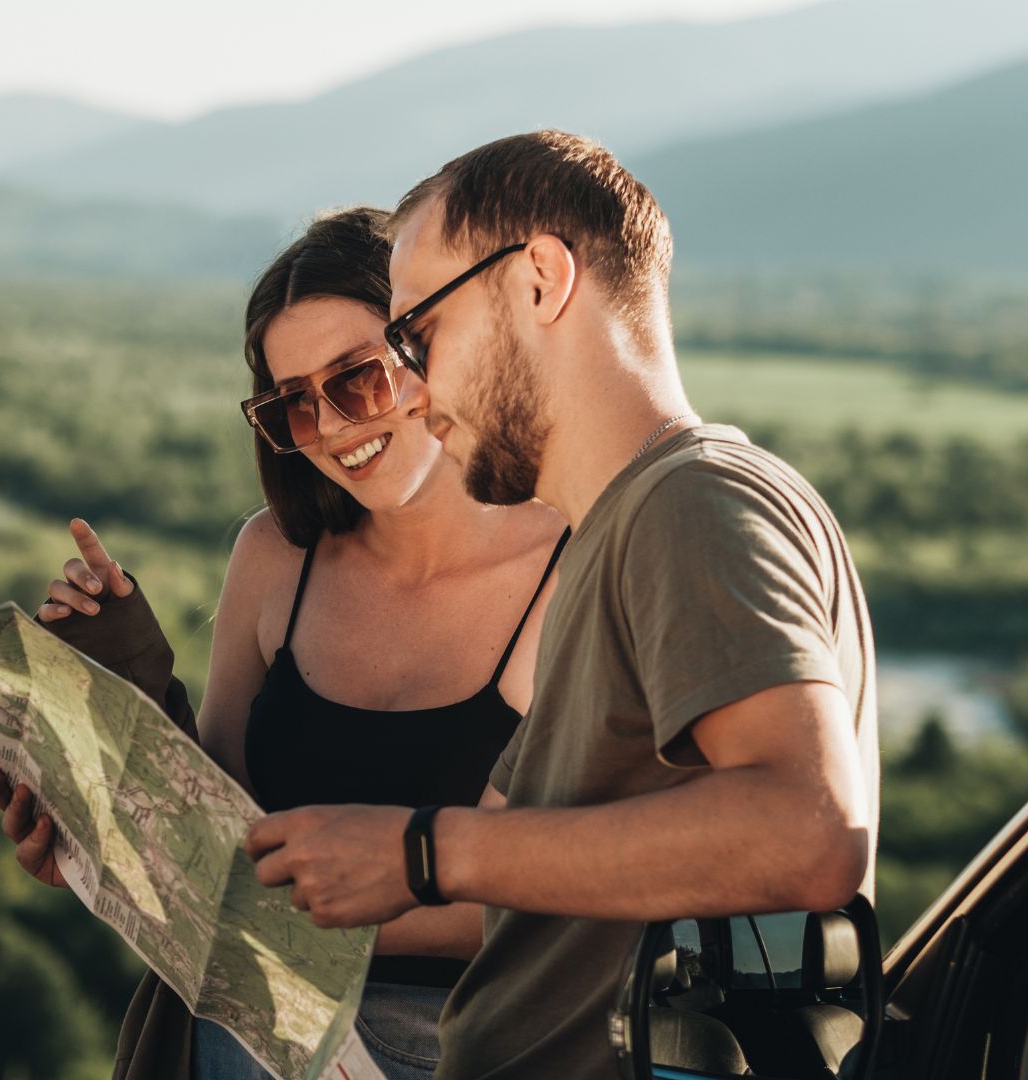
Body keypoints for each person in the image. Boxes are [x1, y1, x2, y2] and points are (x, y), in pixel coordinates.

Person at [240, 131, 881, 1078]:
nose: (411, 390)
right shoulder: (623, 531)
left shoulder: (692, 503)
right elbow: (555, 876)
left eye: (418, 334)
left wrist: (422, 851)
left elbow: (811, 832)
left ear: (540, 279)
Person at [0, 207, 571, 1080]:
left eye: (357, 377)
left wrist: (265, 918)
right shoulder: (275, 554)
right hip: (249, 1022)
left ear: (430, 348)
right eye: (294, 402)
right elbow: (219, 822)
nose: (332, 426)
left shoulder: (572, 568)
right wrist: (102, 815)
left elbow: (567, 900)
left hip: (466, 1038)